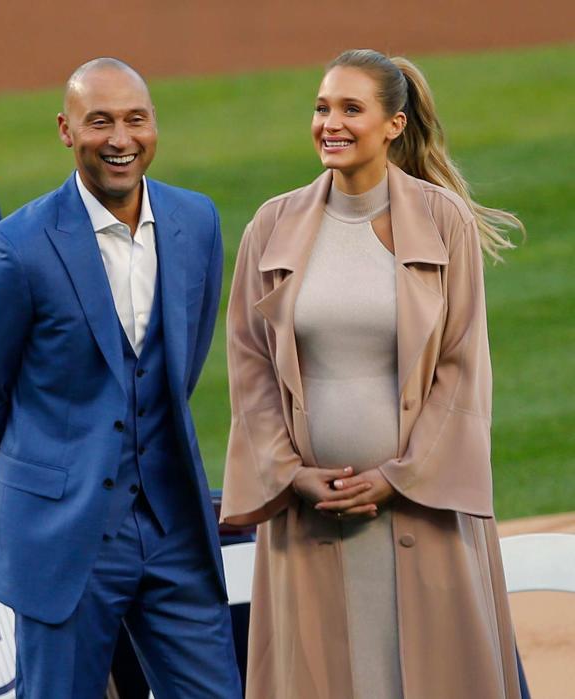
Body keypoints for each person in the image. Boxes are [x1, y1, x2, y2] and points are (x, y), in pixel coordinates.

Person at [221, 49, 525, 699]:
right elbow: (248, 366)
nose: (330, 122)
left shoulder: (444, 222)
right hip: (309, 518)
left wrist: (398, 476)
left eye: (351, 109)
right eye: (322, 107)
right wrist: (288, 471)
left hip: (425, 509)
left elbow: (463, 366)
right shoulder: (271, 225)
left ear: (393, 124)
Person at [0, 57, 242, 699]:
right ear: (65, 129)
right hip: (62, 540)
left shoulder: (197, 223)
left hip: (172, 530)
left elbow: (179, 364)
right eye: (99, 121)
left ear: (153, 124)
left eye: (136, 119)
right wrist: (34, 492)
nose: (120, 139)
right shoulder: (15, 248)